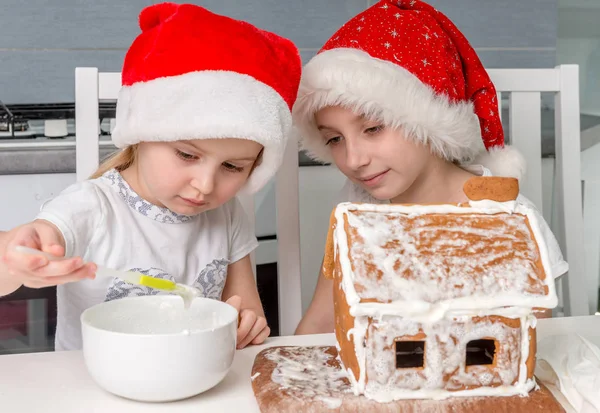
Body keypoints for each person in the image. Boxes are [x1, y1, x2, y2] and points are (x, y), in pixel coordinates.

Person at [0, 2, 302, 351]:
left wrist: (244, 328)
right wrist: (14, 257)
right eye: (187, 155)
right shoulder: (91, 207)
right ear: (141, 134)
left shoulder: (228, 215)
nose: (205, 185)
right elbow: (21, 255)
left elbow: (245, 313)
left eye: (232, 167)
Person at [292, 0, 567, 334]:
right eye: (334, 139)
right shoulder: (356, 208)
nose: (354, 160)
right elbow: (320, 321)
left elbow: (535, 338)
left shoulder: (504, 214)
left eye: (373, 128)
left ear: (429, 119)